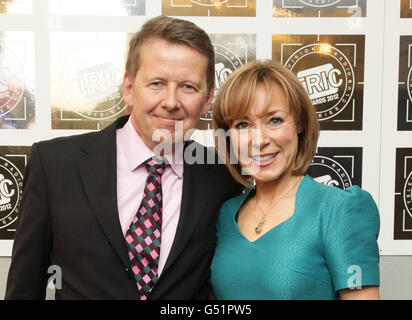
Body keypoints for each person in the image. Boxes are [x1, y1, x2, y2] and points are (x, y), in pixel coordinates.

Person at [5, 15, 243, 300]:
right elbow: (24, 288)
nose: (170, 101)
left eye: (188, 87)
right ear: (129, 88)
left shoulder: (223, 176)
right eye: (156, 83)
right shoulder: (55, 164)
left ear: (207, 99)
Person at [210, 60, 380, 300]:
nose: (259, 141)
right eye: (243, 124)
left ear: (299, 123)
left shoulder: (341, 210)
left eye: (275, 120)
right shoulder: (225, 214)